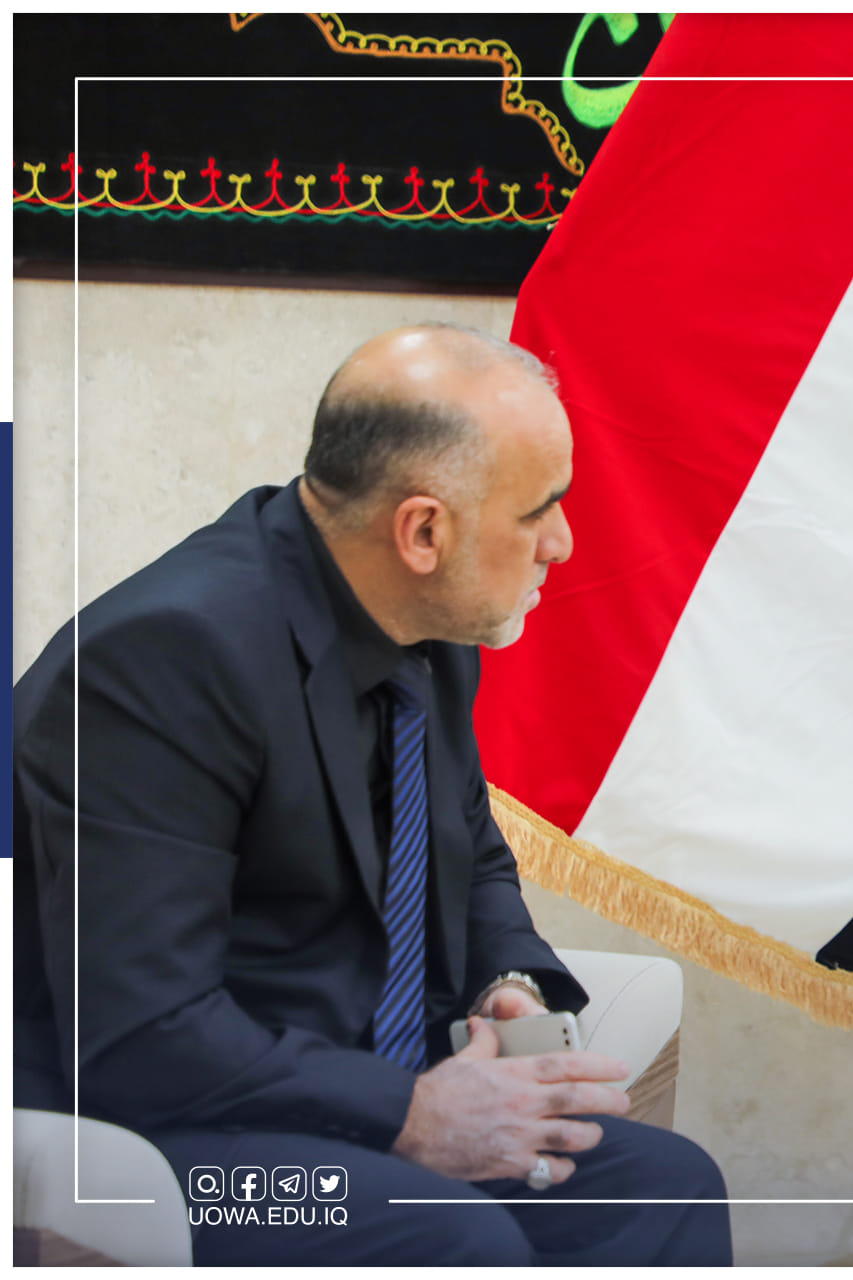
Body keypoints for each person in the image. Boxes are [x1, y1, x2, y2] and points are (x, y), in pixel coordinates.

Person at [14, 324, 731, 1265]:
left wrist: (507, 984)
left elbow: (470, 852)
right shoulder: (163, 663)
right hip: (162, 1136)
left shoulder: (427, 627)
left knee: (665, 1187)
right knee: (456, 1240)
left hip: (348, 1091)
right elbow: (147, 1034)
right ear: (424, 531)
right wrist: (411, 1113)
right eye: (539, 511)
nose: (562, 543)